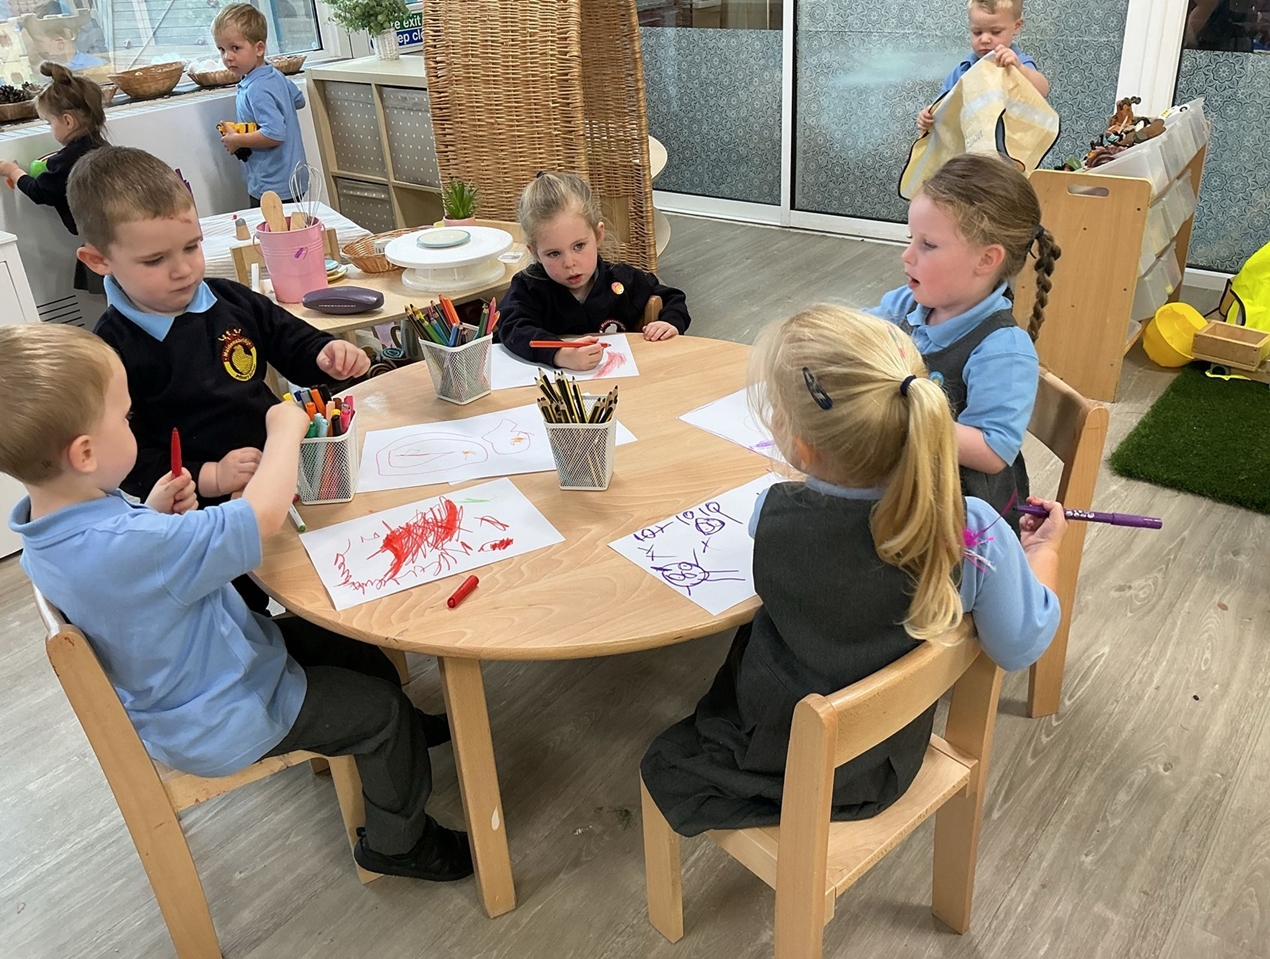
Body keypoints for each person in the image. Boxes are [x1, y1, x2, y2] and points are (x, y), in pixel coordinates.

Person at [1, 323, 472, 881]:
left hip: (193, 678)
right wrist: (284, 430)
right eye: (125, 419)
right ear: (83, 453)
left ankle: (403, 741)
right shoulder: (132, 546)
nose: (133, 426)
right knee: (383, 714)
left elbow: (121, 571)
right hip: (228, 711)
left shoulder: (45, 531)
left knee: (348, 644)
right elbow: (262, 515)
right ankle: (399, 845)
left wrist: (152, 513)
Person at [640, 305, 1065, 836]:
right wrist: (1043, 554)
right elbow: (1020, 645)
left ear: (799, 446)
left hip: (770, 741)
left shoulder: (771, 512)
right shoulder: (974, 531)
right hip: (887, 758)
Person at [67, 145, 369, 613]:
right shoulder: (109, 353)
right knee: (244, 611)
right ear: (98, 260)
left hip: (289, 473)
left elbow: (291, 341)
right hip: (204, 517)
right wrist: (208, 477)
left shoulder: (230, 300)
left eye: (192, 247)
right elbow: (126, 458)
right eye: (154, 260)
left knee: (328, 579)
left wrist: (326, 354)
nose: (183, 269)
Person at [868, 152, 1060, 528]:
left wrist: (901, 417)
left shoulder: (1002, 349)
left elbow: (992, 451)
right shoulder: (906, 304)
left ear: (986, 260)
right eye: (910, 239)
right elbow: (854, 334)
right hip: (900, 490)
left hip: (961, 519)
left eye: (928, 245)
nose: (907, 255)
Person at [496, 171, 691, 372]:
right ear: (535, 252)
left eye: (579, 246)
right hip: (553, 387)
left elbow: (672, 298)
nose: (569, 263)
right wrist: (559, 353)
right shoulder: (528, 288)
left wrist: (669, 323)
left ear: (598, 234)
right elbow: (511, 328)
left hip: (619, 382)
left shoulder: (622, 279)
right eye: (554, 253)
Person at [0, 61, 108, 292]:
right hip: (116, 235)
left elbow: (40, 191)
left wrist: (13, 171)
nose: (50, 128)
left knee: (113, 291)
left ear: (68, 121)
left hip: (102, 244)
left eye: (49, 123)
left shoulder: (67, 162)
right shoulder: (101, 146)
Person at [212, 3, 307, 205]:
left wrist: (238, 140)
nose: (227, 57)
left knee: (272, 226)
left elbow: (275, 134)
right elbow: (298, 100)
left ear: (259, 48)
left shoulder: (257, 88)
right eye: (222, 49)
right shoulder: (274, 75)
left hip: (273, 184)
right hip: (292, 176)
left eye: (235, 48)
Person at [918, 0, 1049, 133]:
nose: (984, 39)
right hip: (971, 141)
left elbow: (1042, 91)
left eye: (996, 32)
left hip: (1011, 141)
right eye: (977, 32)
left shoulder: (1018, 63)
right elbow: (942, 103)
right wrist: (928, 114)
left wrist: (1020, 68)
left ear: (1016, 26)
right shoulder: (965, 68)